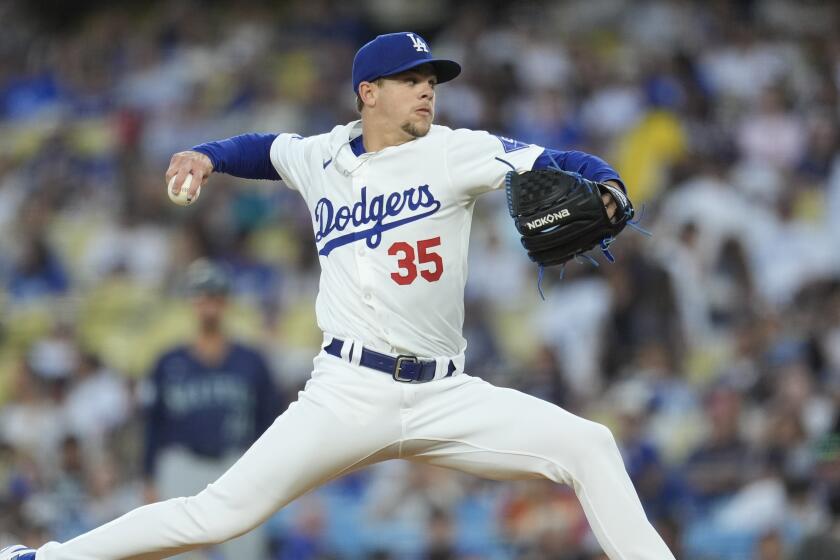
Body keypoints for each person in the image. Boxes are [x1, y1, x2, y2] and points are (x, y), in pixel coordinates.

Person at [2, 31, 675, 560]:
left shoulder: (456, 150)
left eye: (431, 81)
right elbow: (262, 149)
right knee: (218, 513)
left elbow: (562, 162)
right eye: (411, 80)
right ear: (368, 93)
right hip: (348, 390)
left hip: (446, 393)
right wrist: (206, 155)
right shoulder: (321, 156)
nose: (426, 91)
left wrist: (609, 184)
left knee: (590, 446)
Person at [141, 259, 282, 559]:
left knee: (246, 551)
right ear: (191, 301)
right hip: (182, 463)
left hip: (236, 463)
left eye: (215, 295)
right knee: (179, 552)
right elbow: (153, 426)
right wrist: (149, 479)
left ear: (226, 301)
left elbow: (270, 424)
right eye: (201, 295)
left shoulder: (251, 360)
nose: (208, 303)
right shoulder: (167, 363)